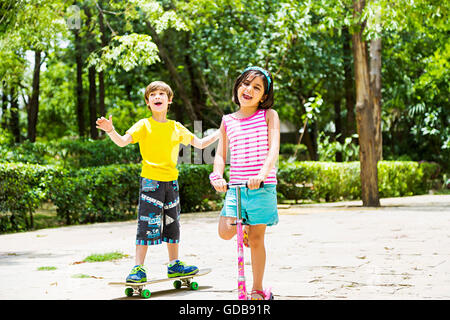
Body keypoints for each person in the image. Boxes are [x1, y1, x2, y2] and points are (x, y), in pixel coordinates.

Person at [96, 80, 220, 283]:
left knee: (173, 223)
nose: (157, 97)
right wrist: (111, 130)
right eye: (152, 95)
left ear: (169, 100)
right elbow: (122, 142)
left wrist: (222, 132)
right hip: (151, 182)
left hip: (171, 182)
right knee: (146, 223)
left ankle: (174, 265)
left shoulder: (176, 127)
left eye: (162, 94)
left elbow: (199, 144)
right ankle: (138, 268)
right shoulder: (143, 125)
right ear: (148, 102)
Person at [209, 66, 280, 300]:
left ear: (264, 96)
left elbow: (273, 149)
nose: (248, 89)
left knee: (258, 239)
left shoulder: (268, 116)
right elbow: (221, 154)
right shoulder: (227, 120)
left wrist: (261, 173)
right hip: (237, 188)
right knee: (224, 232)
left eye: (256, 87)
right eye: (245, 83)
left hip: (261, 186)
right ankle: (244, 229)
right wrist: (217, 175)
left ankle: (257, 289)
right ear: (237, 86)